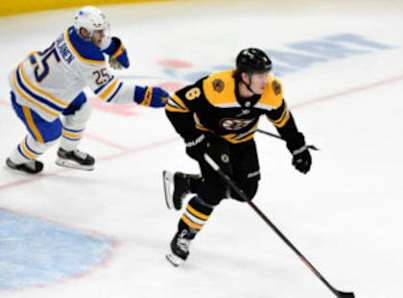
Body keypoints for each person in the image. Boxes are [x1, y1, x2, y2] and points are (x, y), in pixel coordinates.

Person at [162, 48, 312, 266]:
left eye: (267, 74)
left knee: (245, 192)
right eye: (260, 75)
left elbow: (283, 119)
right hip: (212, 139)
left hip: (243, 141)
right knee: (215, 188)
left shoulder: (271, 92)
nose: (265, 80)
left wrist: (298, 147)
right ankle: (185, 234)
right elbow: (175, 106)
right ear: (244, 76)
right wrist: (192, 138)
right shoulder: (216, 88)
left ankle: (186, 183)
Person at [6, 6, 168, 174]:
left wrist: (114, 47)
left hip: (37, 81)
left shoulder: (71, 32)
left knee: (82, 108)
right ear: (85, 32)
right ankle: (17, 160)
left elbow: (98, 41)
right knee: (49, 136)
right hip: (29, 97)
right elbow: (111, 93)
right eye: (99, 32)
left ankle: (67, 152)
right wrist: (145, 95)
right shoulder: (88, 58)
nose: (102, 35)